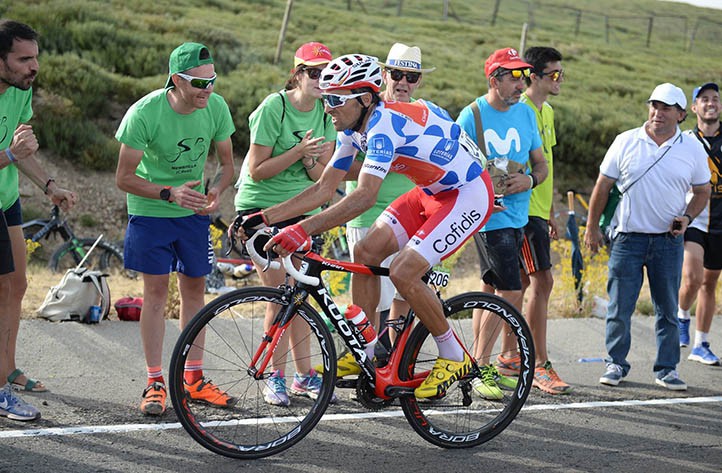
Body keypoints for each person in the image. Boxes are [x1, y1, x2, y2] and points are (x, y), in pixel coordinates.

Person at [236, 53, 494, 399]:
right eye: (325, 98)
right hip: (431, 191)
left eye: (335, 100)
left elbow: (364, 197)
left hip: (468, 193)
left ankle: (452, 355)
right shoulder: (351, 129)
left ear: (365, 99)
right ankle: (367, 350)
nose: (327, 107)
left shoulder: (383, 128)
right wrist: (267, 216)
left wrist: (303, 229)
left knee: (403, 271)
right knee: (366, 251)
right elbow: (324, 189)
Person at [115, 42, 236, 415]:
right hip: (152, 212)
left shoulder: (215, 107)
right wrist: (170, 193)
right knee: (155, 294)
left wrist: (215, 190)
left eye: (212, 81)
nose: (208, 90)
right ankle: (154, 382)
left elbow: (228, 165)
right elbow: (123, 177)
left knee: (196, 292)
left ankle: (193, 379)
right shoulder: (144, 113)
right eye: (199, 84)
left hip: (193, 214)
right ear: (176, 80)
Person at [584, 83, 711, 391]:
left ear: (681, 114)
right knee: (619, 307)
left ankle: (667, 369)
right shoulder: (625, 141)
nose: (658, 113)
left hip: (668, 241)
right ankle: (616, 363)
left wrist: (688, 217)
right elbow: (602, 186)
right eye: (654, 105)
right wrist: (591, 228)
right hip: (627, 239)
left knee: (667, 309)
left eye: (666, 108)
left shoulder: (693, 147)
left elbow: (702, 190)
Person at [232, 41, 336, 407]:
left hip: (302, 211)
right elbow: (257, 171)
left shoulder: (327, 113)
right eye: (313, 72)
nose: (320, 79)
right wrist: (298, 153)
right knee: (279, 296)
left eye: (327, 73)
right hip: (260, 211)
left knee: (301, 295)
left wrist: (308, 163)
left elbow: (325, 177)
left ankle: (303, 376)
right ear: (297, 74)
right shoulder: (273, 107)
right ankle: (272, 376)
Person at [455, 47, 548, 400]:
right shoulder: (471, 115)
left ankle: (476, 365)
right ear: (494, 79)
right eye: (513, 77)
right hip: (489, 217)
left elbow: (541, 164)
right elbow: (453, 167)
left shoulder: (526, 114)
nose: (521, 84)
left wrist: (531, 181)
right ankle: (479, 366)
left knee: (491, 290)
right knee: (511, 290)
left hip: (519, 216)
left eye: (524, 77)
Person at [0, 20, 78, 421]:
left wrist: (50, 186)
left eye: (36, 58)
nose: (34, 67)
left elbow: (22, 148)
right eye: (23, 59)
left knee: (17, 283)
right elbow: (13, 152)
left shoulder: (17, 93)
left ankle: (7, 368)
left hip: (6, 197)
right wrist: (10, 156)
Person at [339, 42, 427, 375]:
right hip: (367, 211)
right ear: (384, 75)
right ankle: (366, 357)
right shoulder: (363, 112)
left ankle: (396, 359)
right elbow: (340, 168)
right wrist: (375, 166)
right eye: (397, 74)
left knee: (405, 291)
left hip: (413, 214)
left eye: (412, 76)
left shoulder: (420, 111)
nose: (403, 82)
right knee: (369, 296)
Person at [517, 46, 571, 394]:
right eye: (553, 74)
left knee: (521, 283)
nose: (559, 79)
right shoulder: (520, 110)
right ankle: (538, 363)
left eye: (561, 73)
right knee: (542, 282)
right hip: (522, 210)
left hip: (538, 210)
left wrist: (550, 211)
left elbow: (544, 165)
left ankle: (511, 356)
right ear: (533, 76)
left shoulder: (546, 111)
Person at [677, 82, 722, 366]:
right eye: (704, 99)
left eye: (715, 99)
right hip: (694, 217)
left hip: (720, 221)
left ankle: (701, 343)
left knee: (709, 283)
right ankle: (682, 316)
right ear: (694, 108)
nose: (710, 103)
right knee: (692, 278)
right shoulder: (684, 139)